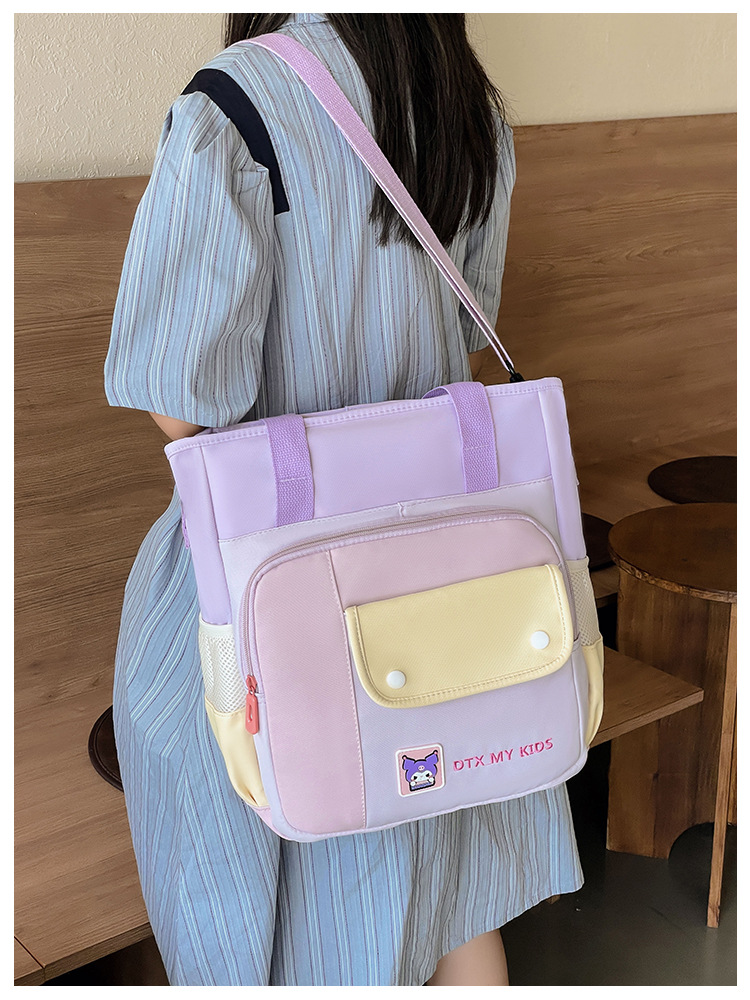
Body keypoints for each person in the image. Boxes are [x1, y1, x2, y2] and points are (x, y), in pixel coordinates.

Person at [104, 13, 583, 987]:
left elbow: (181, 405)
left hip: (286, 587)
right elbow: (466, 343)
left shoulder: (233, 108)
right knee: (454, 899)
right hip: (449, 570)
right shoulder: (467, 107)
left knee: (302, 867)